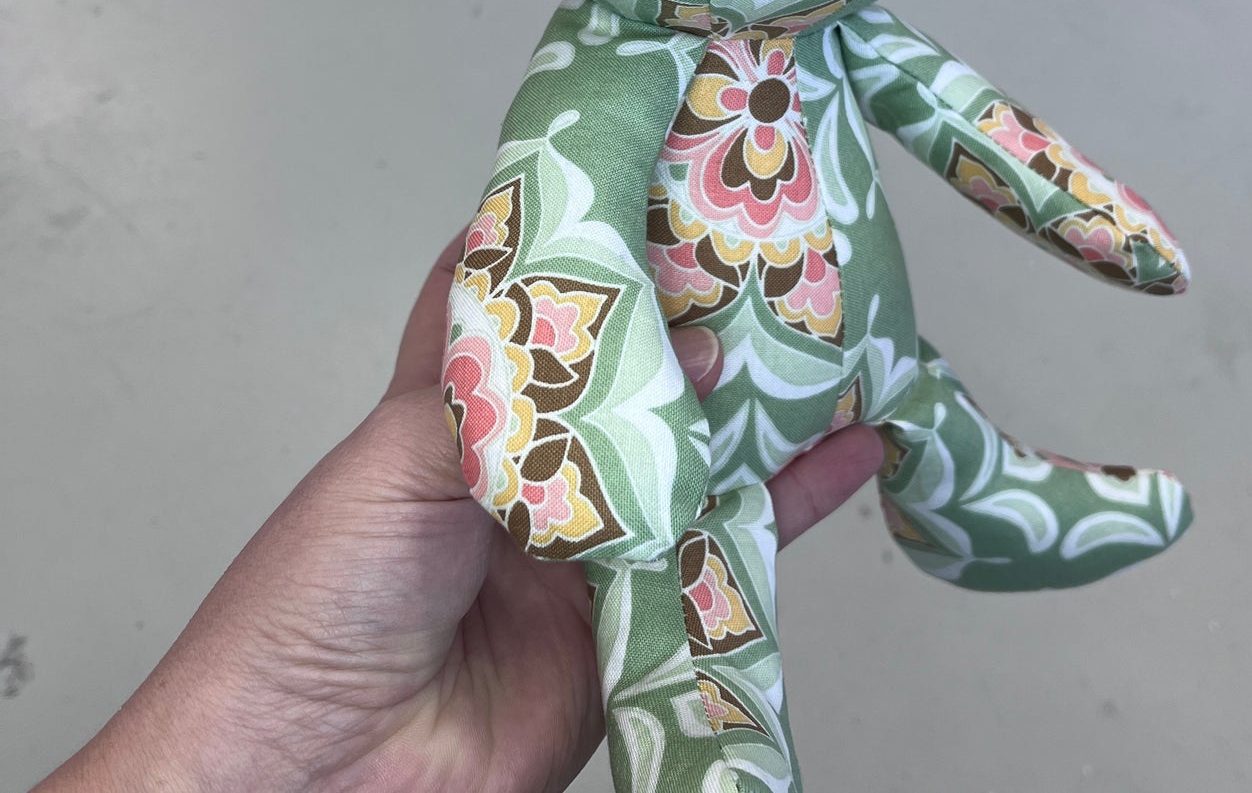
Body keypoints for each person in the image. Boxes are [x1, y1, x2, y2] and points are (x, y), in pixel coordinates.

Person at [36, 231, 885, 792]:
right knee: (694, 604)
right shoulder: (617, 57)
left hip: (721, 435)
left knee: (709, 592)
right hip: (629, 463)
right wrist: (534, 413)